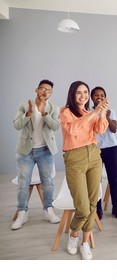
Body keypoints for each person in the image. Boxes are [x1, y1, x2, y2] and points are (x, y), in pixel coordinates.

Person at [60, 81, 109, 260]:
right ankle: (74, 235)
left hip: (94, 156)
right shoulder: (65, 112)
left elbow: (101, 129)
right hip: (74, 158)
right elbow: (73, 130)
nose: (83, 96)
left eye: (85, 92)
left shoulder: (90, 113)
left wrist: (101, 112)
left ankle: (85, 242)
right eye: (79, 93)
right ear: (72, 94)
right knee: (82, 207)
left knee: (92, 202)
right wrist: (95, 113)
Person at [12, 79, 61, 230]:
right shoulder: (24, 105)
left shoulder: (53, 108)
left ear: (51, 93)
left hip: (45, 150)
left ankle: (48, 210)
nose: (45, 92)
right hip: (26, 150)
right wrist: (28, 114)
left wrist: (44, 113)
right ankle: (22, 213)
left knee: (47, 182)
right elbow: (16, 125)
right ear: (37, 90)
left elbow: (56, 126)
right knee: (23, 183)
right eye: (42, 89)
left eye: (48, 90)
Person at [91, 86, 117, 220]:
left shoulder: (111, 111)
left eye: (102, 95)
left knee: (113, 180)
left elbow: (114, 129)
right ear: (92, 98)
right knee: (96, 181)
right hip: (95, 150)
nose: (99, 97)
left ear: (105, 97)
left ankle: (115, 207)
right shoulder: (88, 112)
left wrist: (107, 117)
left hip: (111, 149)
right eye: (96, 95)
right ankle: (98, 209)